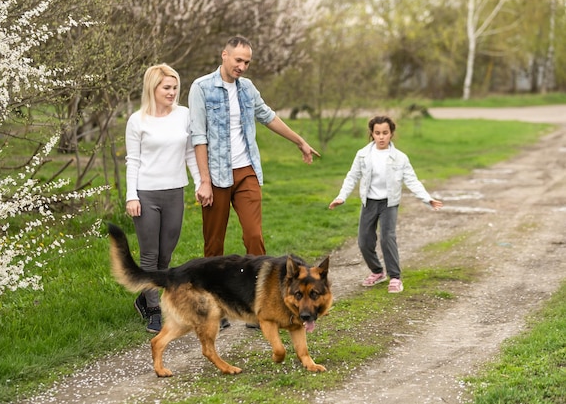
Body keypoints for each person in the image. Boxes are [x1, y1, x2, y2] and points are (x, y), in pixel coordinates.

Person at [189, 36, 320, 328]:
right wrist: (204, 181)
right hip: (216, 175)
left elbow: (269, 116)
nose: (242, 66)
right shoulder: (201, 87)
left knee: (253, 235)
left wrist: (300, 142)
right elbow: (198, 136)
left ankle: (259, 304)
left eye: (247, 62)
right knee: (214, 243)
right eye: (238, 60)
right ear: (224, 55)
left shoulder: (247, 88)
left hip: (246, 170)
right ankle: (215, 306)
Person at [328, 115, 443, 294]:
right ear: (372, 134)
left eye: (385, 133)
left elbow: (412, 181)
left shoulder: (400, 158)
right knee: (364, 241)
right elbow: (352, 177)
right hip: (369, 202)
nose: (381, 137)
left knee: (386, 238)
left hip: (389, 203)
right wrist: (341, 196)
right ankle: (377, 272)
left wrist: (427, 198)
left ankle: (395, 277)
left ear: (391, 134)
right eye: (377, 133)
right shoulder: (363, 155)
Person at [125, 64, 200, 333]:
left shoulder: (183, 115)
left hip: (174, 192)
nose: (172, 92)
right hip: (145, 195)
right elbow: (132, 160)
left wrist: (200, 182)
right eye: (166, 87)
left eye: (175, 87)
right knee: (149, 256)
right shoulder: (137, 120)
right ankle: (155, 310)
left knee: (165, 257)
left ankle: (145, 297)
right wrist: (131, 196)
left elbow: (190, 153)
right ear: (152, 88)